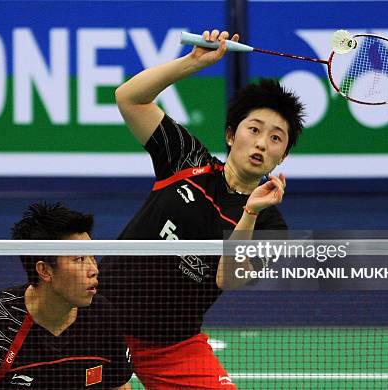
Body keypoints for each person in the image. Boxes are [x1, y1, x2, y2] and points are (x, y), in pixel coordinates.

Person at [99, 29, 305, 389]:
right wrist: (192, 63)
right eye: (254, 129)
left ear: (283, 155)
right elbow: (129, 98)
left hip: (172, 344)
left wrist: (250, 213)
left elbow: (230, 278)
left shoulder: (270, 222)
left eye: (275, 138)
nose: (260, 143)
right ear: (230, 134)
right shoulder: (186, 160)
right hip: (101, 323)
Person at [0, 202, 133, 389]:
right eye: (79, 259)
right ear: (45, 271)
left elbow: (119, 386)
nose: (93, 269)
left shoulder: (103, 316)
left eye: (92, 257)